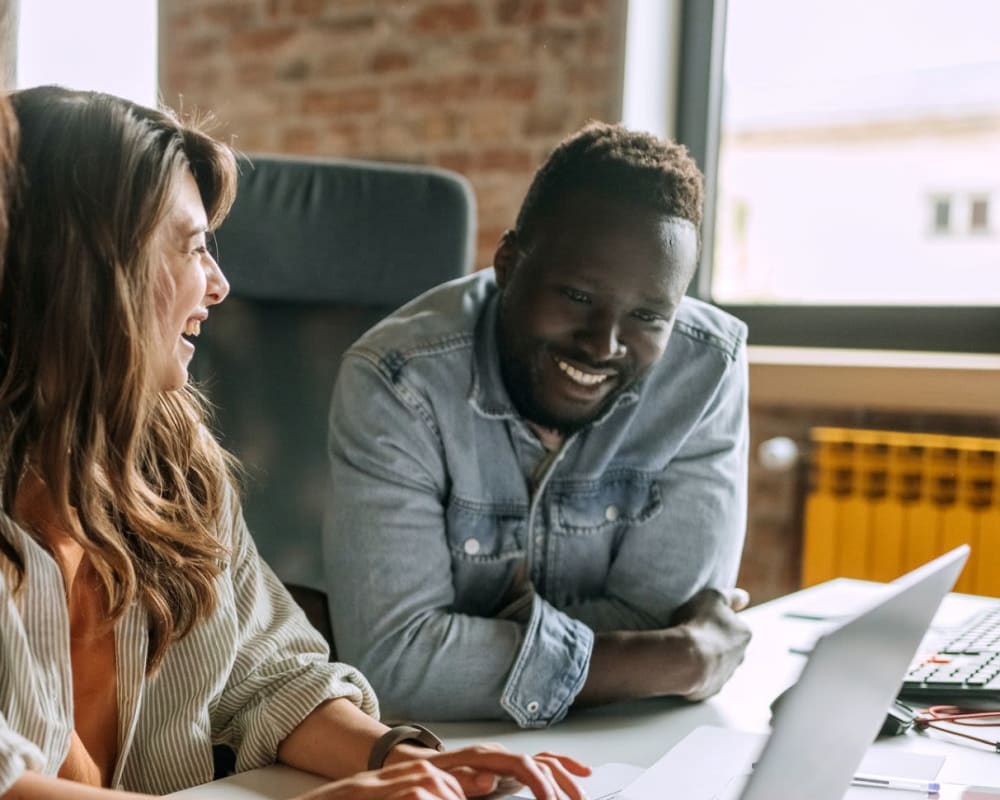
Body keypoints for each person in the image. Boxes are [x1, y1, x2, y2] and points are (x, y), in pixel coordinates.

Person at [0, 86, 588, 800]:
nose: (217, 285)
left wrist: (398, 757)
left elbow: (266, 672)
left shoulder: (170, 463)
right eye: (190, 248)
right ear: (88, 273)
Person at [325, 122, 752, 727]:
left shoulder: (707, 367)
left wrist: (467, 645)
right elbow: (394, 668)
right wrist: (679, 659)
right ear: (508, 262)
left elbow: (666, 612)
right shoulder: (397, 377)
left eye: (647, 315)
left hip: (621, 743)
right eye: (577, 296)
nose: (603, 345)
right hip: (445, 753)